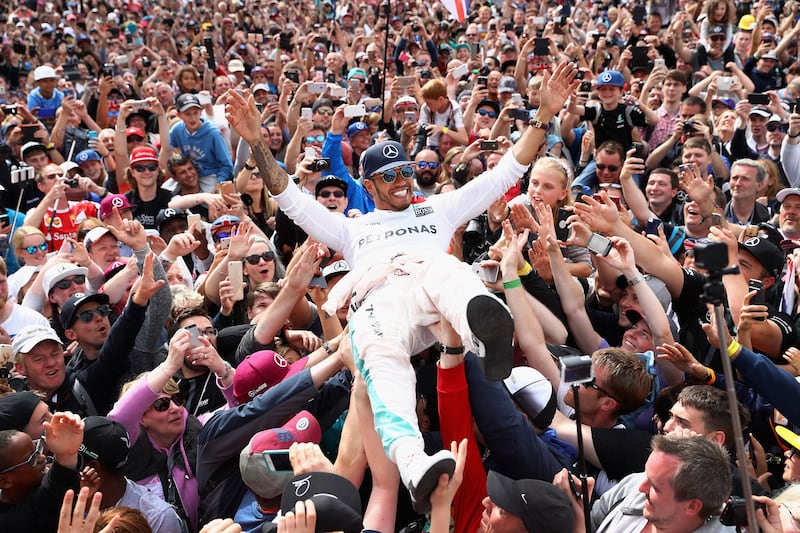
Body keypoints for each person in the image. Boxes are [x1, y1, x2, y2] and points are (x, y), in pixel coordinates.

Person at [225, 61, 581, 512]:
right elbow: (288, 198)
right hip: (382, 304)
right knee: (377, 353)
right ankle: (413, 463)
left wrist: (544, 113)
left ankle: (484, 334)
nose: (402, 181)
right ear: (368, 184)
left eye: (406, 171)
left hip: (436, 302)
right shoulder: (352, 229)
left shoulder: (437, 209)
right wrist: (256, 141)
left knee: (444, 270)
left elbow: (506, 172)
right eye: (390, 175)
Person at [590, 435, 735, 532]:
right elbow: (590, 523)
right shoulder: (633, 484)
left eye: (655, 487)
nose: (641, 487)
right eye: (646, 474)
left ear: (692, 506)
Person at [78, 416, 184, 533]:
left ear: (93, 467)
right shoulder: (63, 496)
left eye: (73, 457)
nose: (63, 462)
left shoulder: (158, 517)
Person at [0, 411, 83, 532]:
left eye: (37, 448)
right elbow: (49, 494)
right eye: (31, 459)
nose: (42, 457)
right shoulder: (12, 523)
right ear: (5, 480)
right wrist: (66, 454)